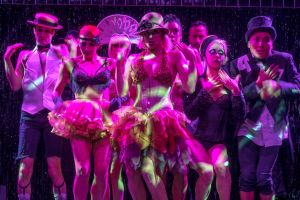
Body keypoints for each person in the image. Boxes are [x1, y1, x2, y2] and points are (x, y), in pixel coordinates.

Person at [112, 12, 214, 200]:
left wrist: (191, 62)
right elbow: (122, 92)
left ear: (162, 33)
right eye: (146, 32)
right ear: (141, 35)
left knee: (169, 171)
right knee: (132, 171)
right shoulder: (133, 60)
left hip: (164, 120)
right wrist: (119, 65)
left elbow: (190, 87)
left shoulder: (174, 56)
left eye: (155, 32)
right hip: (137, 121)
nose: (150, 36)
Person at [229, 16, 300, 200]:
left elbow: (297, 87)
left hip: (274, 127)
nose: (261, 43)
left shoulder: (284, 59)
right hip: (248, 126)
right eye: (256, 39)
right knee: (247, 177)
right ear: (248, 42)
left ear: (272, 41)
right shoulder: (237, 64)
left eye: (266, 39)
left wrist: (279, 87)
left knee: (263, 177)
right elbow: (236, 97)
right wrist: (258, 85)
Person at [3, 13, 67, 200]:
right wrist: (7, 60)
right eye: (39, 29)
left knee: (54, 168)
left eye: (47, 31)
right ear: (34, 30)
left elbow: (70, 75)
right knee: (25, 168)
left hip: (53, 115)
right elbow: (15, 85)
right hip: (29, 115)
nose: (43, 34)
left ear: (53, 33)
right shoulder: (24, 56)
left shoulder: (60, 52)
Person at [48, 25, 113, 199]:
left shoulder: (108, 63)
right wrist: (59, 104)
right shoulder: (71, 64)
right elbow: (56, 91)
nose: (86, 48)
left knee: (101, 170)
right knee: (83, 170)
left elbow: (119, 89)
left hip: (103, 116)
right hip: (79, 115)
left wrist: (119, 101)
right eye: (83, 44)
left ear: (98, 44)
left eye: (91, 44)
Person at [184, 35, 246, 200]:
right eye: (213, 51)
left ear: (225, 57)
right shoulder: (197, 80)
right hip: (195, 139)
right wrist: (205, 93)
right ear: (205, 54)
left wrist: (236, 92)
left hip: (218, 141)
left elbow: (240, 116)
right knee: (207, 172)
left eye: (221, 52)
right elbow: (189, 113)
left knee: (221, 167)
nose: (217, 55)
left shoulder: (230, 81)